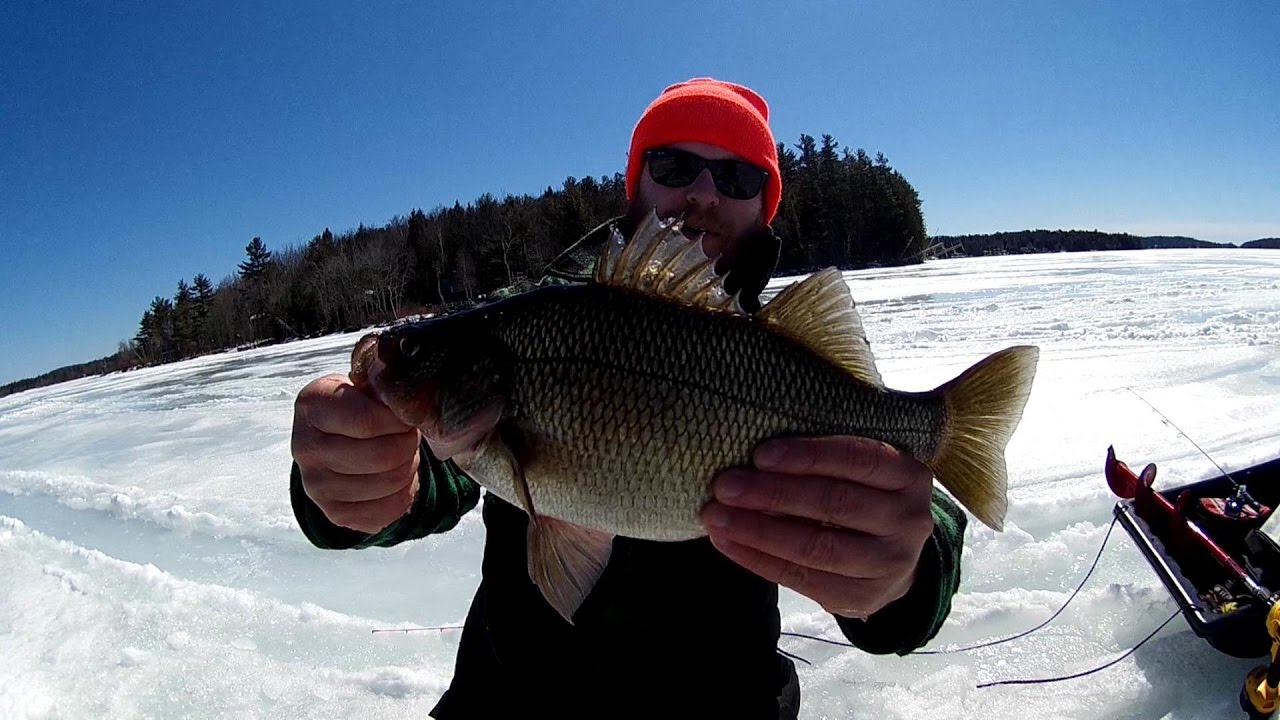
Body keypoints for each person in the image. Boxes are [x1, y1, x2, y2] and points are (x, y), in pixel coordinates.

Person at [289, 77, 967, 720]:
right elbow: (427, 469)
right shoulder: (522, 324)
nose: (702, 192)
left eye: (736, 177)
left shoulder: (792, 360)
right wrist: (356, 478)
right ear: (634, 183)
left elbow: (911, 499)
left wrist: (906, 571)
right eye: (673, 166)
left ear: (765, 207)